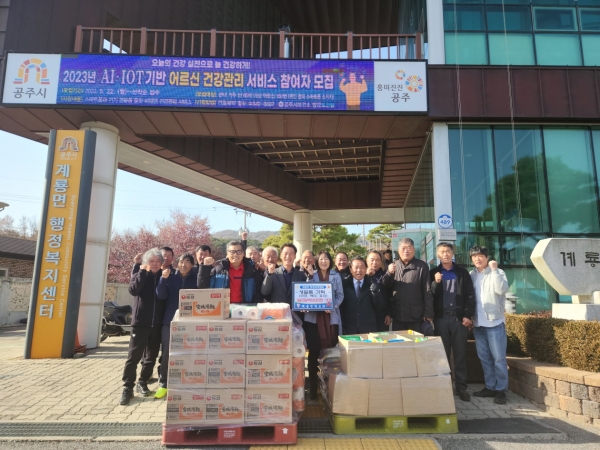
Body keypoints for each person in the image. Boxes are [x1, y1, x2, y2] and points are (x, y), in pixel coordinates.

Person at [430, 243, 475, 402]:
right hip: (441, 319)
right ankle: (444, 387)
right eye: (442, 252)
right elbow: (430, 295)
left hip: (459, 319)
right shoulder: (433, 273)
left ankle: (461, 388)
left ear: (452, 253)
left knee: (460, 354)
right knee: (442, 355)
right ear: (438, 255)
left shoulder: (462, 273)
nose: (445, 254)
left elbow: (470, 295)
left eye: (448, 251)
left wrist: (468, 315)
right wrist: (436, 283)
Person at [120, 248, 166, 406]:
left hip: (157, 324)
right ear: (146, 263)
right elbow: (134, 290)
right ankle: (127, 387)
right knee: (133, 357)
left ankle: (143, 382)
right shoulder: (140, 275)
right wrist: (142, 272)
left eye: (158, 261)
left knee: (151, 358)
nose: (155, 264)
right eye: (151, 261)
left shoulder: (164, 276)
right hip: (140, 323)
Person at [469, 245, 510, 405]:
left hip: (494, 322)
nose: (477, 259)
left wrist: (494, 270)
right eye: (474, 256)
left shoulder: (498, 272)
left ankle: (501, 390)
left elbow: (501, 290)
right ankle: (490, 387)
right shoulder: (471, 275)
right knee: (484, 357)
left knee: (498, 358)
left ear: (487, 257)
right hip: (478, 323)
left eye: (480, 256)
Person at [154, 253, 198, 399]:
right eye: (181, 262)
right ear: (177, 264)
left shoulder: (196, 279)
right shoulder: (170, 278)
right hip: (170, 322)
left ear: (192, 265)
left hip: (190, 323)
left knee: (190, 354)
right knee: (167, 354)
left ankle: (187, 382)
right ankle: (164, 383)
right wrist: (162, 279)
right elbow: (160, 295)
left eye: (187, 262)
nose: (183, 265)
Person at [303, 250, 344, 400]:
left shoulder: (336, 276)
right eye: (321, 259)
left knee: (330, 354)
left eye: (326, 259)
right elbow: (305, 292)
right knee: (313, 354)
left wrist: (332, 306)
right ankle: (313, 390)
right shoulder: (311, 275)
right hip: (313, 320)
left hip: (331, 319)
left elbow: (340, 295)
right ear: (317, 261)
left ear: (330, 261)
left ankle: (329, 388)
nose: (324, 261)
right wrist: (309, 276)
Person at [382, 238, 434, 332]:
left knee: (416, 340)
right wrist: (389, 273)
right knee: (399, 340)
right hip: (398, 315)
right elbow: (387, 287)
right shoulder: (393, 266)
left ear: (414, 250)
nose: (406, 251)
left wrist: (428, 313)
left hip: (416, 315)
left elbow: (427, 290)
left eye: (409, 248)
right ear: (398, 250)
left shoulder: (422, 266)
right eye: (403, 248)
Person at [198, 240, 263, 303]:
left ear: (243, 253)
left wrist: (252, 307)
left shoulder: (252, 271)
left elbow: (258, 294)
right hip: (222, 307)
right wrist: (205, 267)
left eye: (239, 251)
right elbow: (202, 286)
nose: (235, 254)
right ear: (227, 253)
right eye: (232, 252)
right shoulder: (218, 270)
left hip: (245, 308)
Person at [340, 257, 387, 334]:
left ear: (366, 269)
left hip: (368, 328)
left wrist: (376, 293)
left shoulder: (373, 284)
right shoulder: (343, 284)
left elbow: (380, 307)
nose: (359, 270)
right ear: (351, 269)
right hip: (349, 329)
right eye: (356, 267)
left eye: (362, 267)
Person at [262, 243, 312, 308]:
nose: (288, 256)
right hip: (277, 311)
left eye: (291, 253)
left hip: (295, 312)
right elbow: (265, 292)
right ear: (281, 255)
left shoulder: (301, 275)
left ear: (295, 256)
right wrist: (270, 274)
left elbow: (306, 296)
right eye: (285, 253)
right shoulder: (272, 273)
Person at [366, 250, 388, 331]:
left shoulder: (386, 275)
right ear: (367, 261)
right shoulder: (361, 275)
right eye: (372, 260)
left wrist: (389, 314)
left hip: (381, 316)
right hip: (366, 315)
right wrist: (367, 276)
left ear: (381, 262)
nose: (375, 262)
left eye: (377, 260)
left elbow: (390, 295)